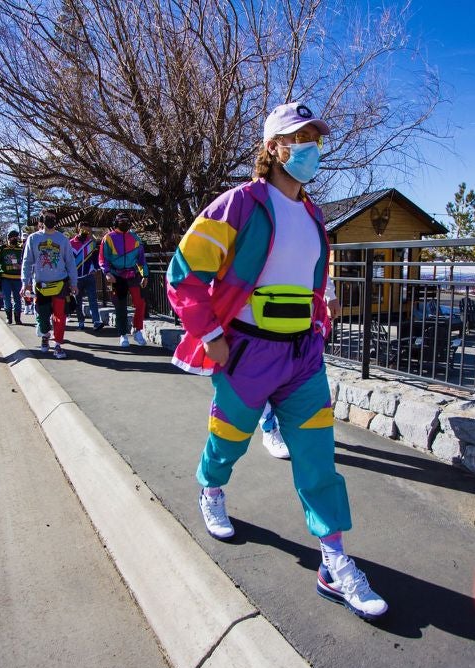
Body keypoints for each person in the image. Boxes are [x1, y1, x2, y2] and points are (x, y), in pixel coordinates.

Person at [166, 102, 387, 620]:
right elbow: (183, 272)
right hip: (246, 352)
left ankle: (333, 561)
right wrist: (213, 335)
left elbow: (312, 277)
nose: (309, 146)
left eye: (314, 137)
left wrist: (321, 310)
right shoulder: (239, 204)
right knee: (229, 438)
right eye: (298, 137)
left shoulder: (314, 215)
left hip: (302, 357)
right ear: (272, 148)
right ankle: (210, 488)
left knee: (318, 456)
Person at [259, 280, 338, 460]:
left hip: (301, 316)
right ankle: (269, 428)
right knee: (264, 377)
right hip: (263, 311)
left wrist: (330, 295)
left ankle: (290, 425)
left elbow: (314, 257)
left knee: (296, 377)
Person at [21, 210, 78, 359]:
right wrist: (25, 283)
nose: (50, 220)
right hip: (41, 284)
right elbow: (27, 262)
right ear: (41, 220)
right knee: (43, 316)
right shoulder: (33, 238)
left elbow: (70, 262)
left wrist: (74, 282)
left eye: (53, 218)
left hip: (61, 282)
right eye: (47, 218)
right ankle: (45, 335)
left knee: (60, 315)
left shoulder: (63, 239)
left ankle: (58, 344)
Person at [99, 213, 148, 347]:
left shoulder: (135, 238)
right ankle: (123, 334)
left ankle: (137, 330)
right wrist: (107, 272)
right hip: (117, 276)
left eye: (127, 220)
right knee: (120, 307)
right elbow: (103, 258)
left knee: (140, 303)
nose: (124, 222)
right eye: (121, 220)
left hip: (133, 274)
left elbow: (141, 259)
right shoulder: (108, 238)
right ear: (116, 222)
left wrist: (145, 275)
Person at [69, 222, 106, 331]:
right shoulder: (70, 243)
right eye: (83, 229)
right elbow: (68, 261)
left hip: (89, 275)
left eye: (87, 229)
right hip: (76, 278)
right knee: (78, 301)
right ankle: (81, 321)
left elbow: (96, 258)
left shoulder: (91, 243)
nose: (85, 231)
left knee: (93, 299)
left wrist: (94, 268)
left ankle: (96, 321)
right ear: (78, 229)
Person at [0, 229, 24, 324]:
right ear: (8, 238)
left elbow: (26, 261)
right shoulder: (1, 248)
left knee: (18, 298)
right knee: (6, 298)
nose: (14, 239)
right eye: (12, 237)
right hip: (5, 277)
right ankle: (9, 317)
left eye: (16, 237)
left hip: (17, 278)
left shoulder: (21, 249)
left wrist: (21, 266)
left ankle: (18, 318)